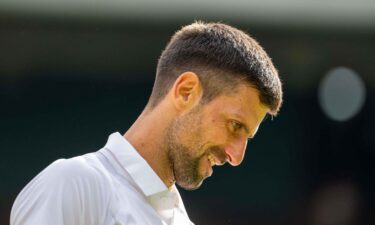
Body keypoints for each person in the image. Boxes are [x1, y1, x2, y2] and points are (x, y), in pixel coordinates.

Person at [10, 21, 283, 225]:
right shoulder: (75, 184)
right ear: (186, 91)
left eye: (247, 136)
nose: (236, 156)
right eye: (235, 125)